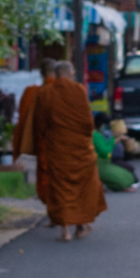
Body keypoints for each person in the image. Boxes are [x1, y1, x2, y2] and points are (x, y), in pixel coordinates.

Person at [29, 56, 108, 239]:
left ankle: (65, 230)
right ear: (71, 74)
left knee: (60, 187)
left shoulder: (45, 93)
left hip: (58, 148)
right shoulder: (79, 90)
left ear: (56, 75)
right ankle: (81, 225)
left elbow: (39, 124)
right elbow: (88, 122)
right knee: (81, 186)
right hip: (79, 148)